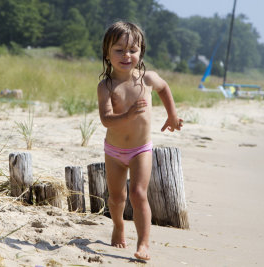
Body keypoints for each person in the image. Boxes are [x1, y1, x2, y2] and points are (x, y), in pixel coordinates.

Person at [97, 21, 183, 260]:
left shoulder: (147, 79)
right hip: (114, 151)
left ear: (141, 52)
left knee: (138, 194)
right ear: (107, 53)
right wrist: (127, 115)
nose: (126, 55)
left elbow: (164, 88)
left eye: (132, 50)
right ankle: (118, 226)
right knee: (116, 198)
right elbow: (106, 119)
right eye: (119, 50)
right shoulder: (106, 86)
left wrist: (172, 115)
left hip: (140, 150)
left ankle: (143, 244)